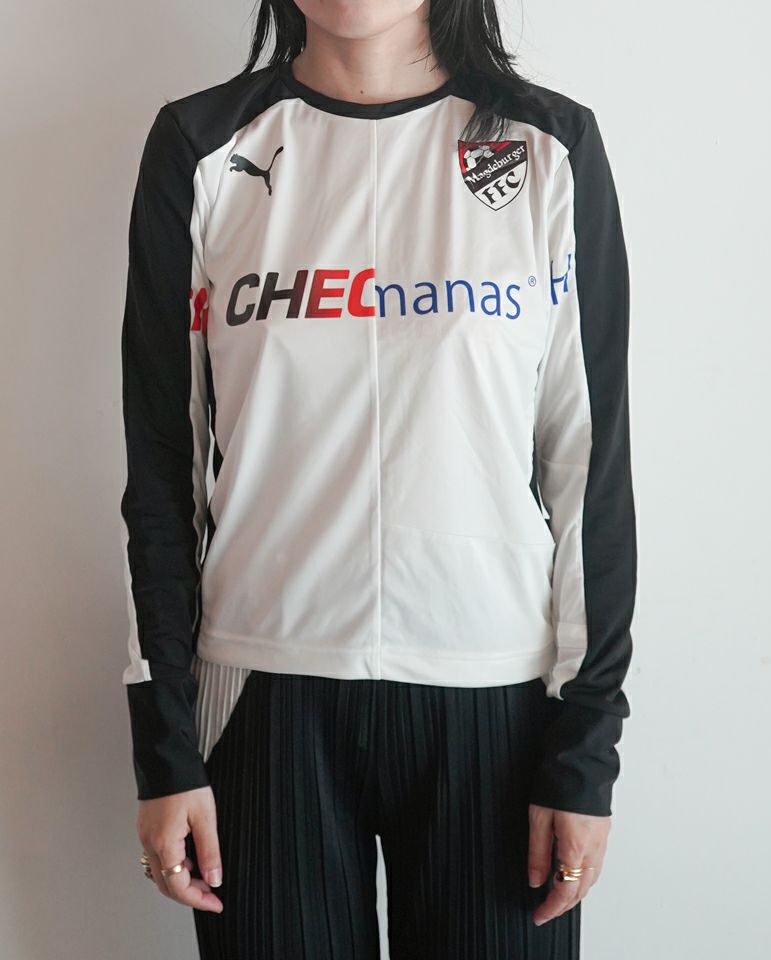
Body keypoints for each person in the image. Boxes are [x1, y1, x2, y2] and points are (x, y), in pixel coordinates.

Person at [119, 1, 637, 957]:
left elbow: (588, 468)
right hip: (263, 694)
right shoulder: (200, 147)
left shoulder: (549, 147)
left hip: (498, 698)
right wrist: (164, 745)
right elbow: (160, 470)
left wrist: (585, 747)